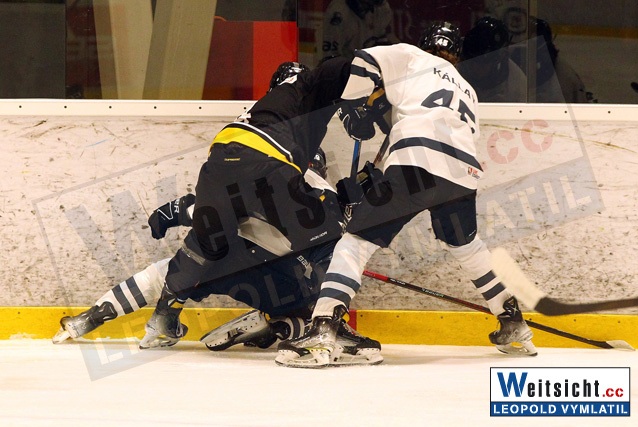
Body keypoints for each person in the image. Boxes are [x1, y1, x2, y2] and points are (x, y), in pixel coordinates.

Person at [276, 21, 538, 368]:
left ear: (424, 42)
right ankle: (512, 320)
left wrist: (354, 108)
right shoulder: (466, 88)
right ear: (457, 55)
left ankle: (324, 326)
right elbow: (416, 120)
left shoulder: (411, 56)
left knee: (355, 241)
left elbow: (364, 62)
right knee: (467, 247)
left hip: (416, 162)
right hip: (463, 175)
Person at [132, 58, 386, 366]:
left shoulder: (264, 109)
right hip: (265, 165)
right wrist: (373, 90)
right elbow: (346, 67)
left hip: (218, 162)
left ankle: (162, 320)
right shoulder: (308, 85)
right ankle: (328, 328)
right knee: (328, 241)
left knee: (206, 245)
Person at [53, 145, 383, 365]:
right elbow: (333, 264)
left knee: (167, 272)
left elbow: (200, 211)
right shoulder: (324, 197)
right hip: (278, 280)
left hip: (227, 262)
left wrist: (175, 210)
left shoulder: (255, 175)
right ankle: (281, 326)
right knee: (311, 307)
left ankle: (91, 318)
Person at [457, 17, 527, 102]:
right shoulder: (456, 66)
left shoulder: (516, 82)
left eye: (482, 62)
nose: (475, 67)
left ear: (499, 58)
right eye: (472, 61)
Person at [318, 0, 398, 64]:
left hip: (368, 70)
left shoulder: (382, 8)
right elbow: (328, 60)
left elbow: (384, 41)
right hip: (344, 73)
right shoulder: (339, 12)